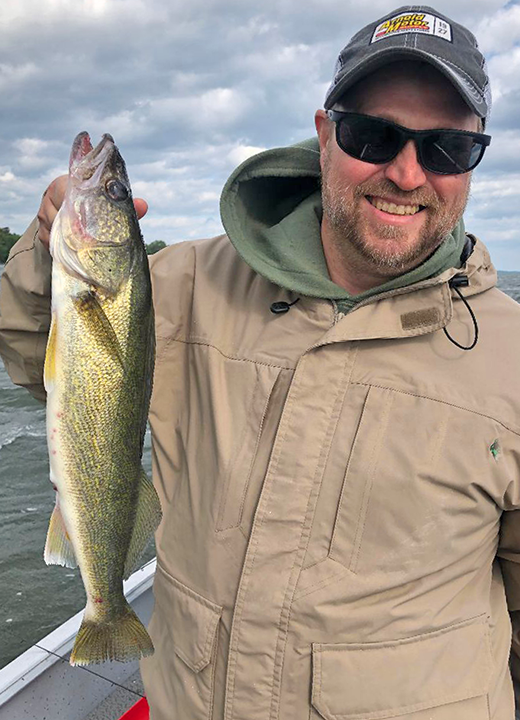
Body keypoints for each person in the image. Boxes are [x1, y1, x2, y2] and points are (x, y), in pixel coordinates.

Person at [1, 5, 520, 719]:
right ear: (324, 134)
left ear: (475, 161)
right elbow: (38, 359)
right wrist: (45, 248)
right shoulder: (181, 285)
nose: (406, 173)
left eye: (446, 150)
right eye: (374, 135)